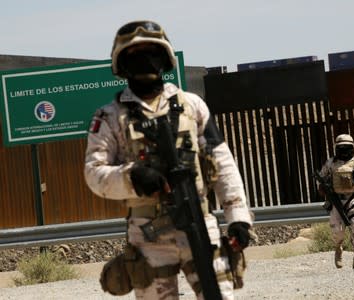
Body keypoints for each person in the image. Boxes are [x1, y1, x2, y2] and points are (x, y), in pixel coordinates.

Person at [84, 20, 253, 299]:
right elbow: (93, 173)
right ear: (121, 64)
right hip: (149, 236)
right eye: (135, 55)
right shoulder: (109, 118)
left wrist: (238, 218)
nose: (145, 60)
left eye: (151, 52)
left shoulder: (192, 106)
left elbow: (223, 164)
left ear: (164, 58)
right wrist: (132, 176)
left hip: (199, 220)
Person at [317, 134, 354, 269]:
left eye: (346, 147)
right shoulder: (330, 163)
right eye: (341, 147)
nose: (344, 150)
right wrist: (322, 188)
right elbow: (321, 178)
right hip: (336, 200)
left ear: (352, 148)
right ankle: (338, 250)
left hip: (353, 199)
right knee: (337, 231)